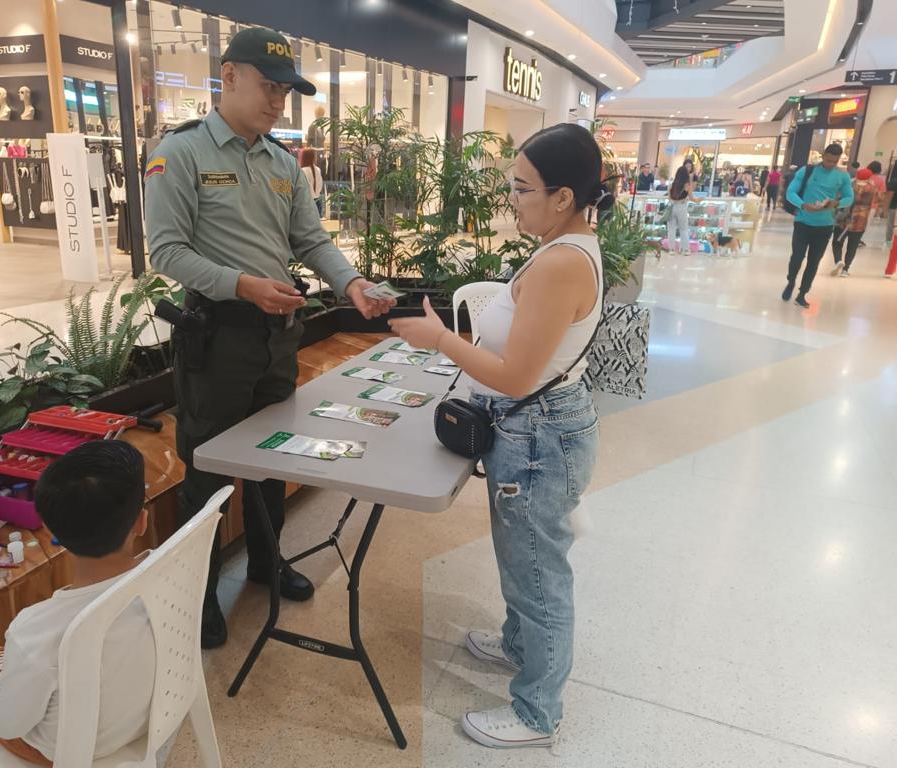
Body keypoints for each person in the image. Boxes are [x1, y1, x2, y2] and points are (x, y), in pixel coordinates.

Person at [144, 26, 394, 649]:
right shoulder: (181, 154)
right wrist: (244, 285)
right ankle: (196, 593)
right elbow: (166, 251)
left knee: (274, 457)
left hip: (278, 337)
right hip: (217, 339)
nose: (279, 100)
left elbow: (309, 239)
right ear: (228, 76)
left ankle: (264, 562)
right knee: (206, 473)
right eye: (268, 86)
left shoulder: (284, 163)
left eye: (286, 91)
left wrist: (351, 283)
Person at [391, 123, 606, 750]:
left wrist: (439, 339)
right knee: (523, 558)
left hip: (539, 434)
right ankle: (518, 647)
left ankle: (539, 713)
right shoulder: (565, 245)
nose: (510, 198)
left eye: (521, 188)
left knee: (539, 573)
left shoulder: (561, 262)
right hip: (538, 430)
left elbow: (515, 377)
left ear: (562, 197)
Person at [0, 441, 156, 764]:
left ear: (49, 529)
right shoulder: (168, 572)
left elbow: (7, 724)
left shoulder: (34, 631)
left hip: (64, 750)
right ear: (141, 522)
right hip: (141, 722)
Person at [783, 143, 854, 308]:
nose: (830, 164)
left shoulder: (842, 176)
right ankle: (791, 281)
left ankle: (802, 294)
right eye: (828, 160)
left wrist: (836, 204)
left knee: (814, 261)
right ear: (823, 156)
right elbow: (790, 192)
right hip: (803, 222)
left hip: (825, 226)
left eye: (834, 162)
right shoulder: (807, 171)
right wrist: (803, 205)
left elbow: (849, 197)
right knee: (797, 257)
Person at [830, 167, 877, 277]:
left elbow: (837, 200)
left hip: (843, 219)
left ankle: (838, 261)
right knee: (852, 246)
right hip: (860, 221)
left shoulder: (848, 185)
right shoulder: (873, 188)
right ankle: (845, 269)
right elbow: (874, 207)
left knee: (837, 242)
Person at [667, 161, 697, 253]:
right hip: (682, 207)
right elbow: (692, 198)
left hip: (672, 207)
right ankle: (686, 250)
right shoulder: (687, 186)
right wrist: (700, 200)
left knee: (671, 229)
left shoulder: (672, 185)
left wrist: (675, 201)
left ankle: (671, 249)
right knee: (683, 229)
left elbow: (669, 197)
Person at [299, 147, 325, 218]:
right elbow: (320, 185)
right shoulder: (318, 169)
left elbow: (301, 189)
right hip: (318, 201)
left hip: (307, 203)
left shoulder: (303, 170)